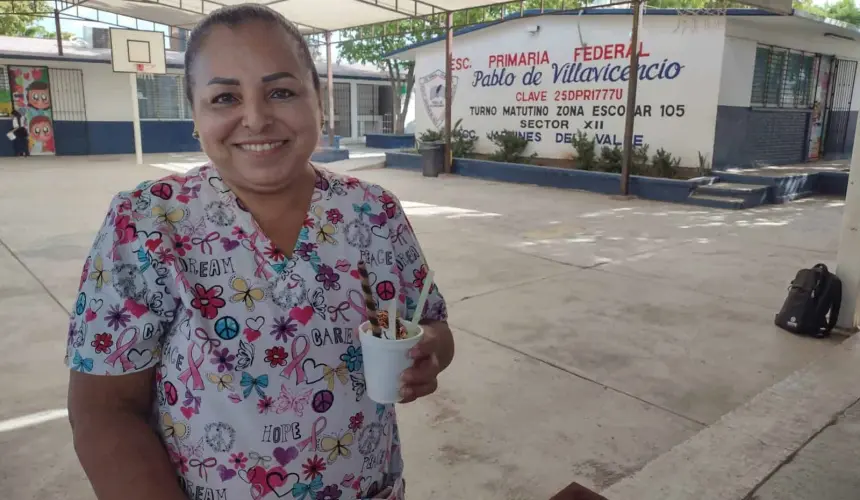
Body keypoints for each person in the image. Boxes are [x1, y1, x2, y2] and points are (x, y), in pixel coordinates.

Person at [65, 5, 454, 500]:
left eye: (281, 91)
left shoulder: (373, 211)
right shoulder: (147, 222)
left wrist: (429, 356)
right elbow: (104, 408)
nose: (255, 118)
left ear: (319, 99)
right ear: (195, 114)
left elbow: (433, 324)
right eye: (225, 97)